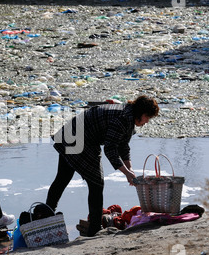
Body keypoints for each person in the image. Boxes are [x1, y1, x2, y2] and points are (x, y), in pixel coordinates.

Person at [46, 95, 159, 237]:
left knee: (63, 178)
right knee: (95, 182)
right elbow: (110, 149)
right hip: (79, 137)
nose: (147, 121)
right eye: (147, 117)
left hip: (75, 135)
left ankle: (46, 214)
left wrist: (130, 170)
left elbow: (123, 146)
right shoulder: (123, 118)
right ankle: (94, 228)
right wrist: (126, 173)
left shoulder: (129, 117)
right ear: (140, 113)